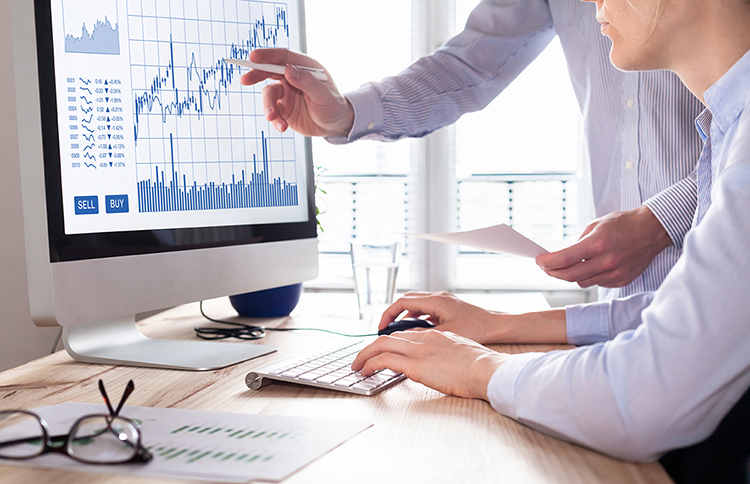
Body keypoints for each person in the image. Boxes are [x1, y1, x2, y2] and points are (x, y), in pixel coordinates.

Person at [347, 0, 750, 481]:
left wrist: (479, 369)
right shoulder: (728, 128)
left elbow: (645, 396)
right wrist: (501, 325)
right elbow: (680, 315)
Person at [241, 0, 704, 301]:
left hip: (722, 279)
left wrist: (663, 220)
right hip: (622, 301)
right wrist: (344, 113)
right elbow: (471, 66)